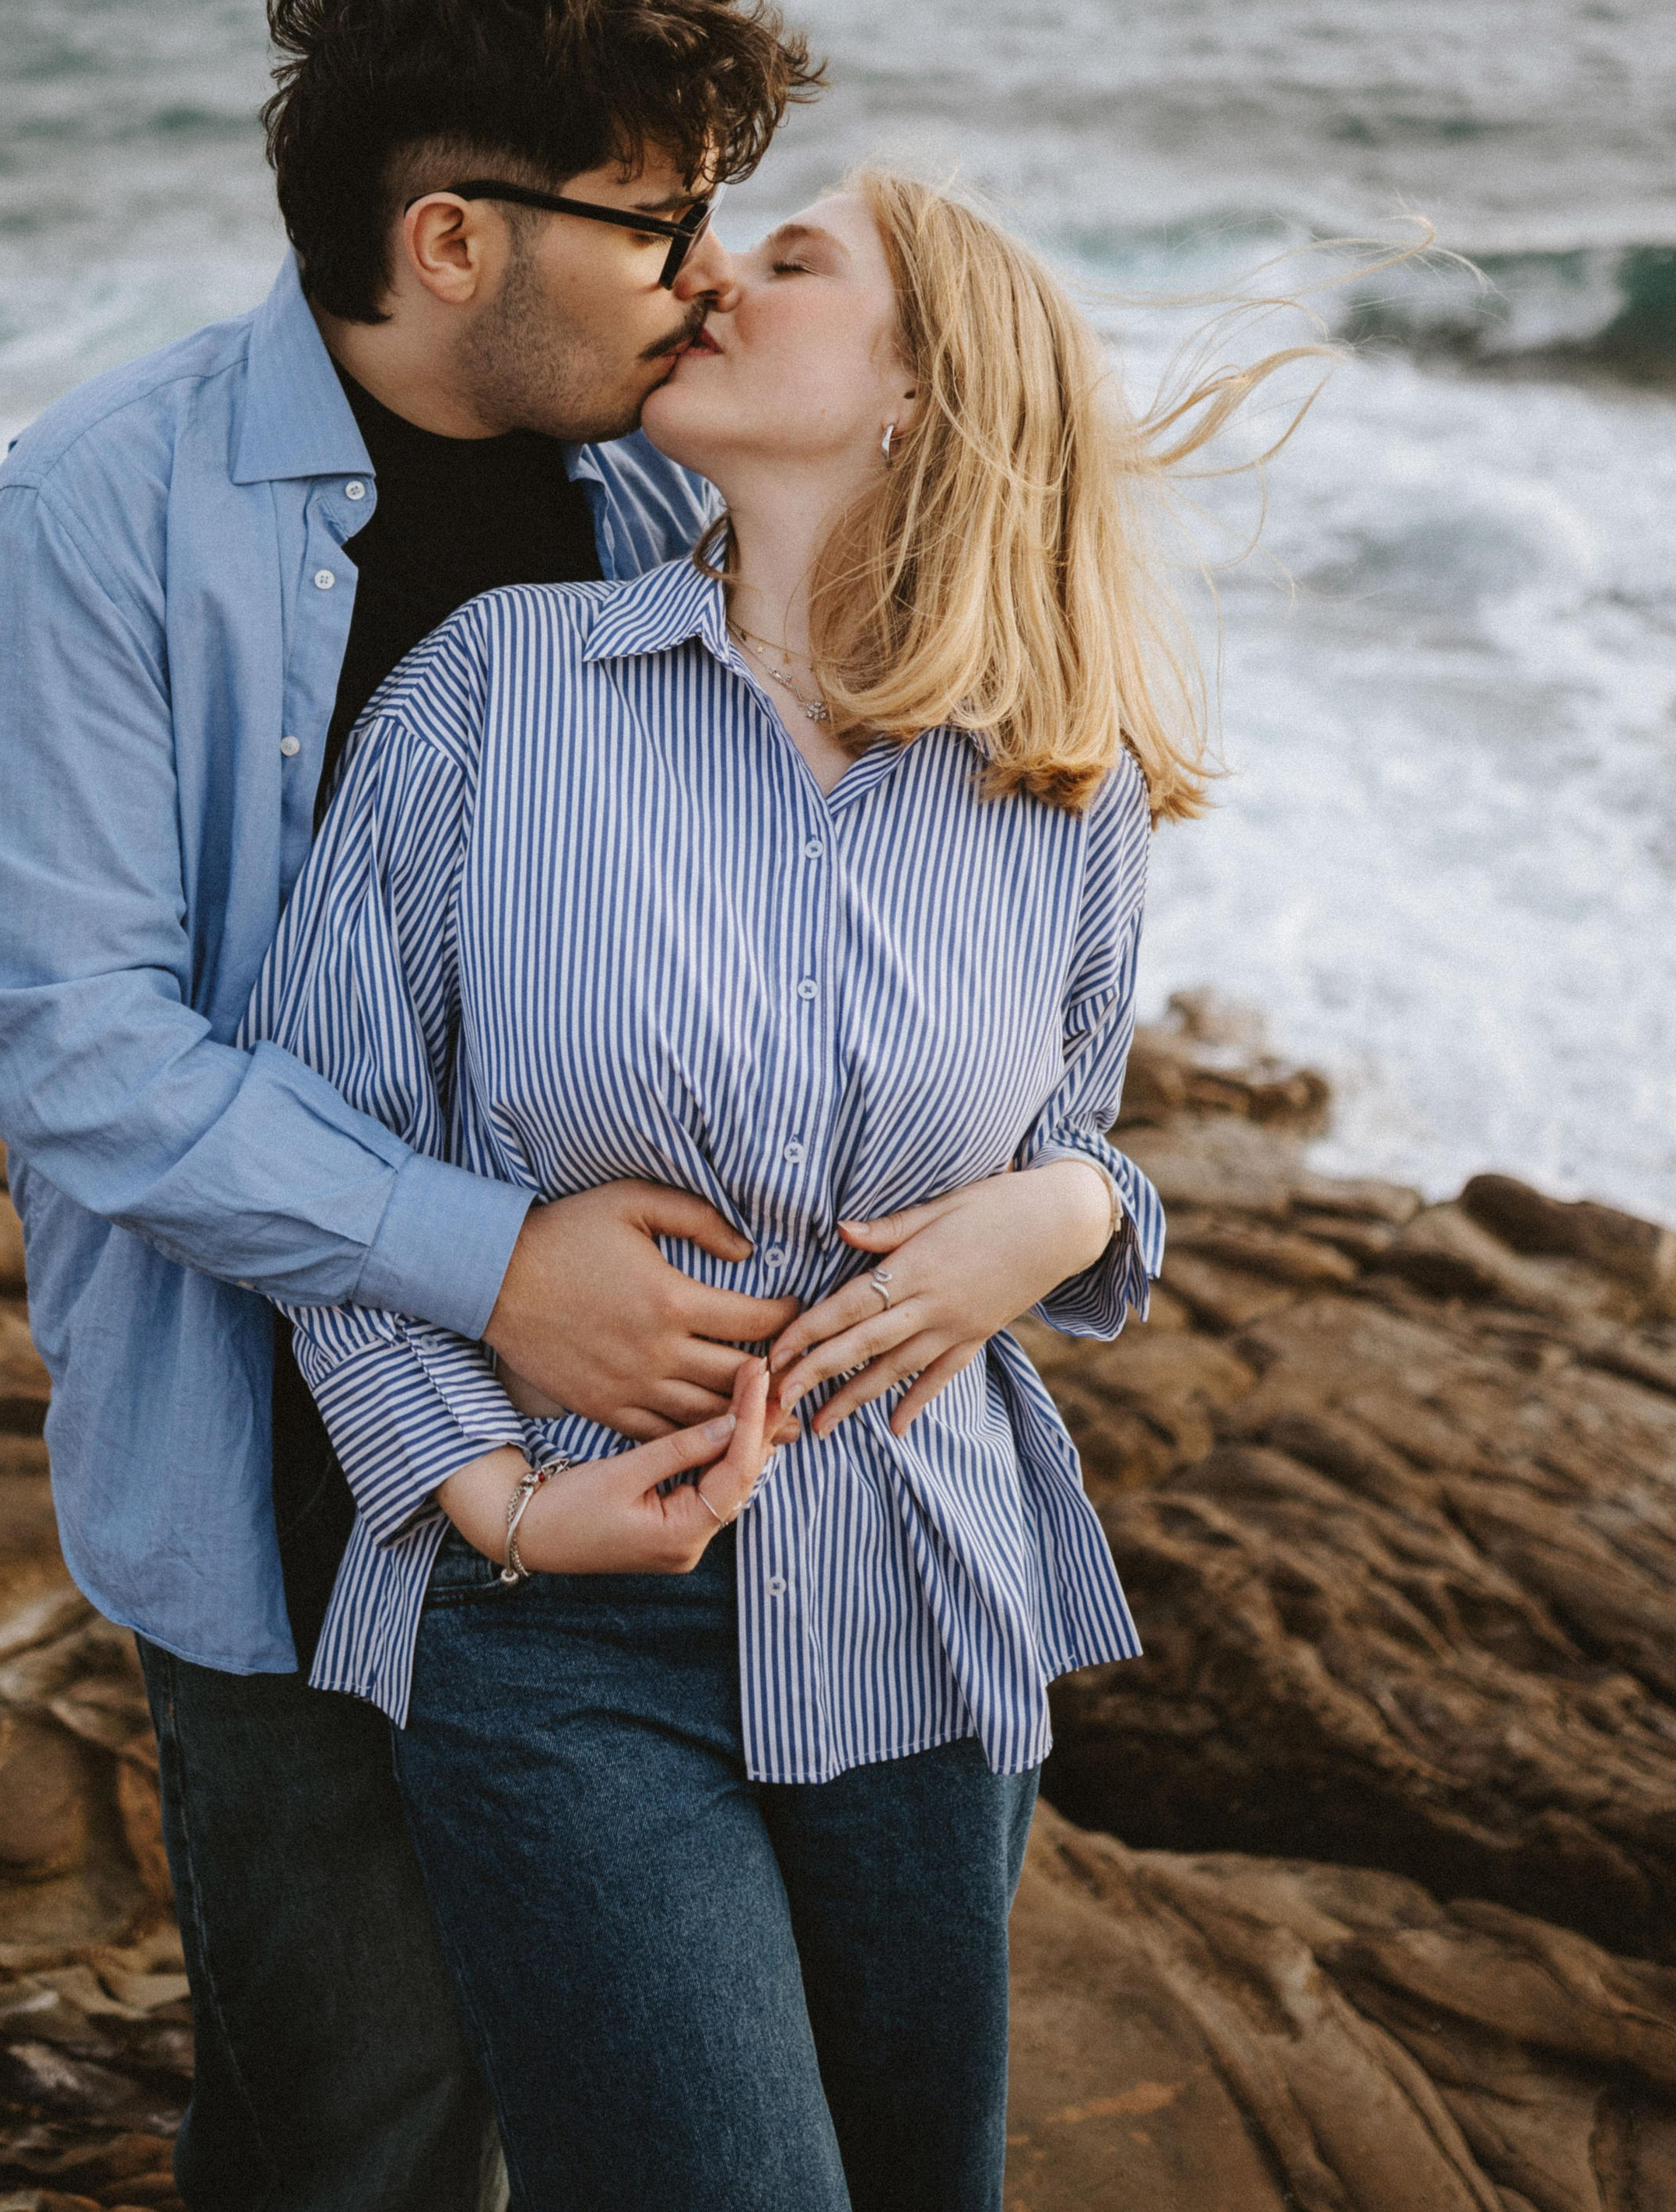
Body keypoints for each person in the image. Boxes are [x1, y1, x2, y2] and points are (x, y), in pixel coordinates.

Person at [0, 0, 823, 2212]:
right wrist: (491, 1257)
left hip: (639, 1485)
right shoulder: (97, 517)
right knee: (360, 2140)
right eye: (662, 216)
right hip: (281, 1503)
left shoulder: (663, 501)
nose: (714, 265)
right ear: (452, 242)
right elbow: (71, 1037)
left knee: (651, 2110)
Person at [244, 165, 1264, 2212]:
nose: (715, 268)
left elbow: (1067, 1135)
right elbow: (312, 1145)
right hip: (557, 1626)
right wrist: (486, 1493)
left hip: (927, 1596)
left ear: (920, 391)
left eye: (794, 262)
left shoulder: (1063, 771)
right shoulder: (493, 691)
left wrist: (1072, 1218)